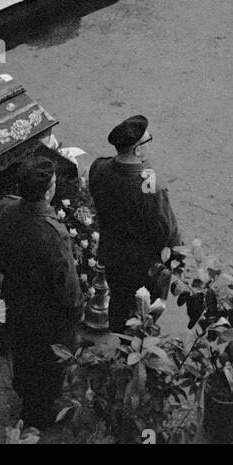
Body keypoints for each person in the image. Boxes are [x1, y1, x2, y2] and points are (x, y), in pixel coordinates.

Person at [0, 155, 83, 431]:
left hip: (15, 300)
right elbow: (68, 288)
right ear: (48, 189)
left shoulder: (5, 209)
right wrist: (76, 313)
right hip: (46, 314)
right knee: (47, 366)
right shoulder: (53, 233)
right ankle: (38, 416)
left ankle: (25, 395)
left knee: (22, 354)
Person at [87, 115, 181, 333]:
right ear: (138, 150)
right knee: (144, 316)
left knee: (118, 306)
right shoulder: (149, 187)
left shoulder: (99, 168)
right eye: (147, 142)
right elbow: (167, 232)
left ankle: (119, 339)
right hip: (143, 269)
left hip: (113, 259)